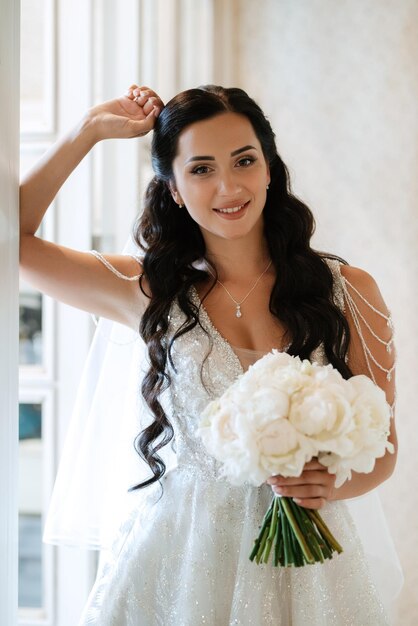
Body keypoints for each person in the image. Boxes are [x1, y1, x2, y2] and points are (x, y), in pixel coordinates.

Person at [20, 84, 401, 625]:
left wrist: (331, 481)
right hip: (177, 562)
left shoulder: (348, 289)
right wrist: (88, 131)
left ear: (269, 167)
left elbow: (383, 451)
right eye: (200, 169)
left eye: (244, 160)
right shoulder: (148, 290)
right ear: (173, 189)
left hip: (308, 570)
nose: (228, 186)